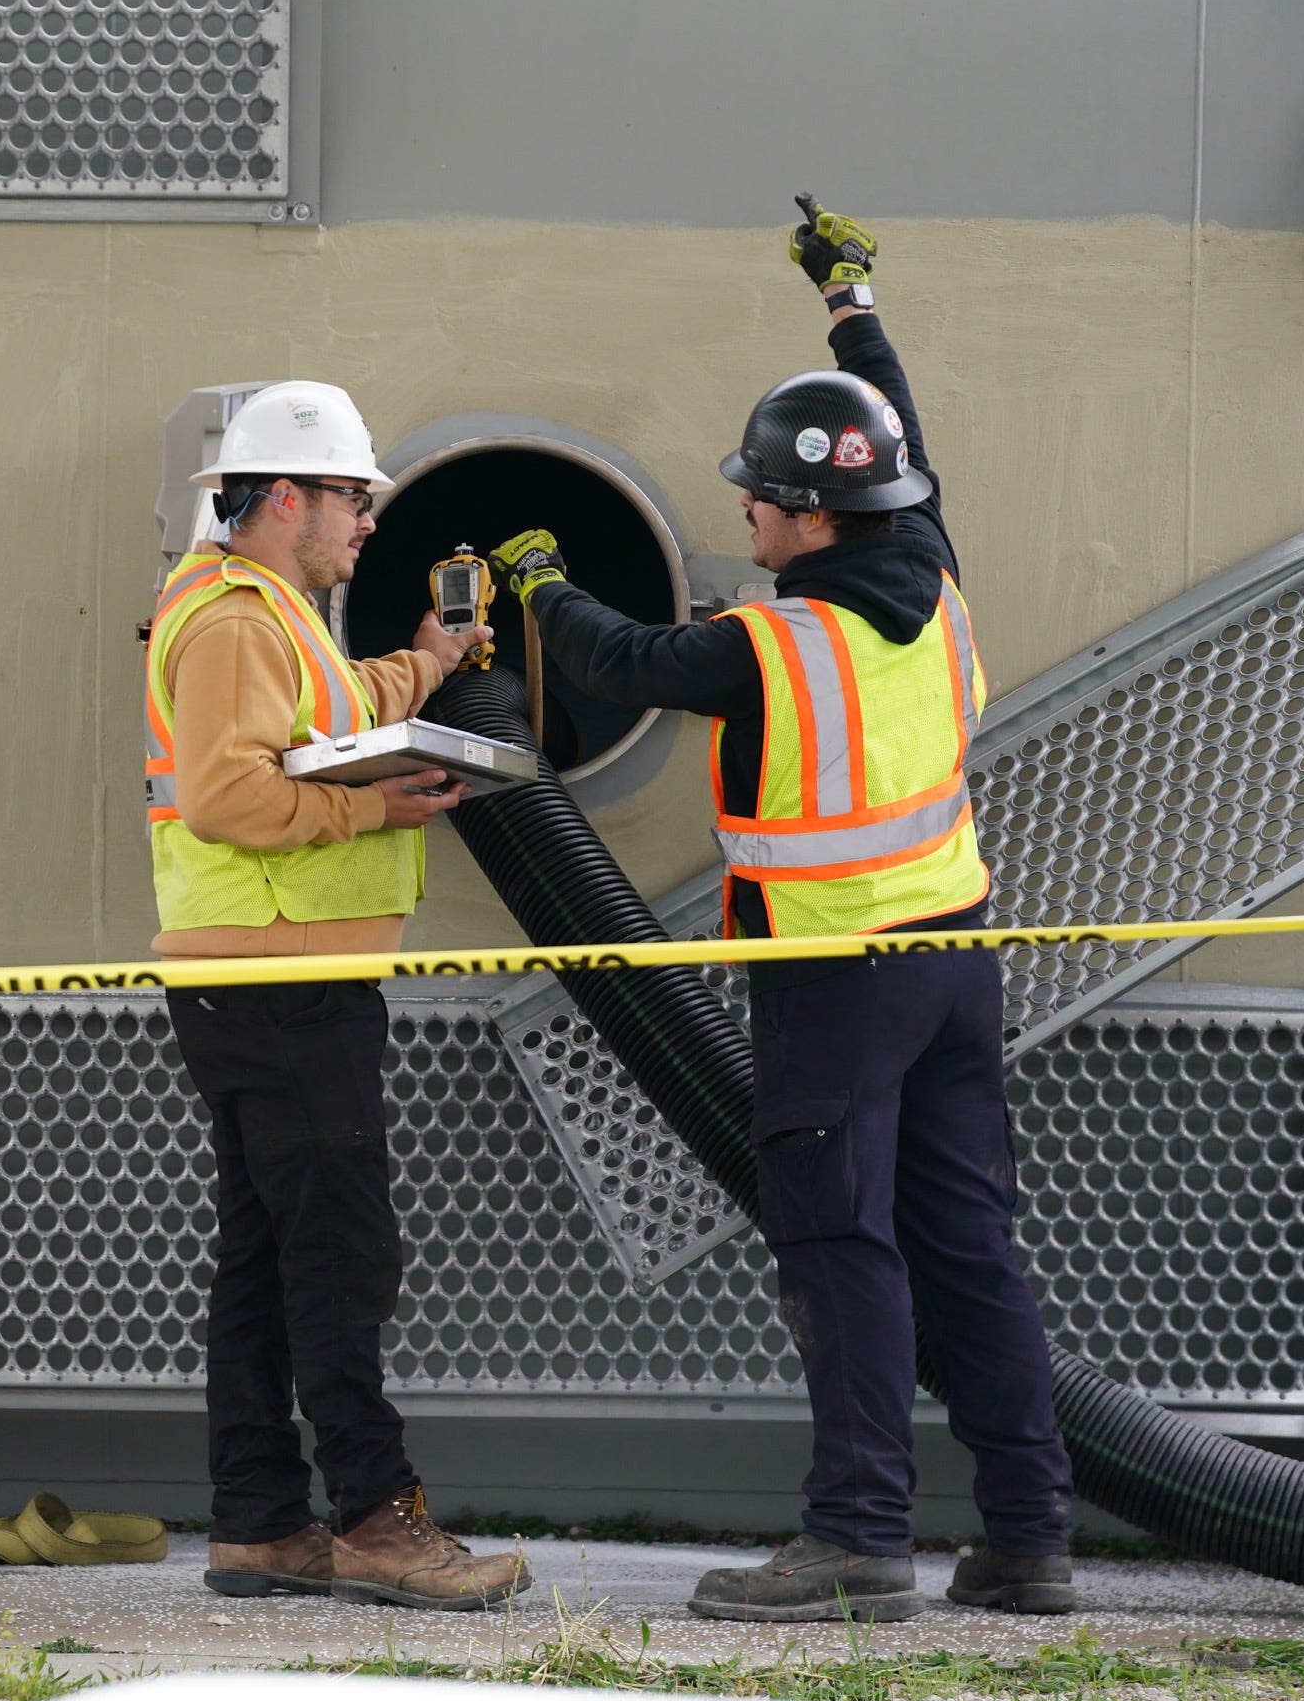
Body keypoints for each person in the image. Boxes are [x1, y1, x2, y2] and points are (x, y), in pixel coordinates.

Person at [487, 208, 1075, 1622]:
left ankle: (859, 1536)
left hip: (832, 978)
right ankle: (1030, 1533)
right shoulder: (928, 571)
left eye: (757, 492)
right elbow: (902, 432)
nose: (743, 510)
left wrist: (538, 582)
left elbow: (630, 657)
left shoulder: (773, 642)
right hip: (955, 954)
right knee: (967, 1244)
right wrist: (849, 302)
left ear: (813, 517)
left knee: (838, 1243)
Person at [147, 380, 532, 1612]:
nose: (366, 523)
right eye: (354, 501)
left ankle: (260, 1526)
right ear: (286, 497)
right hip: (279, 975)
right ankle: (378, 1522)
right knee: (341, 1255)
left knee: (267, 1260)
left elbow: (333, 709)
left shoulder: (269, 611)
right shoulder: (229, 621)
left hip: (276, 975)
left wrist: (425, 660)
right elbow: (227, 799)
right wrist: (376, 807)